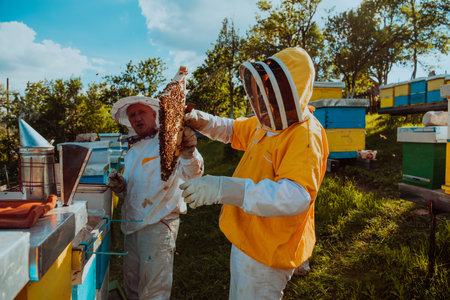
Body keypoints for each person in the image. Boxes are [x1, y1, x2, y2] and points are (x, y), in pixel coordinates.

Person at [179, 47, 329, 299]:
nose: (265, 98)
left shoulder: (304, 134)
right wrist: (198, 119)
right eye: (266, 89)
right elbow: (231, 129)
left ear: (293, 92)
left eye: (274, 90)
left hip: (271, 248)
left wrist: (223, 189)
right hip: (247, 236)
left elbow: (295, 195)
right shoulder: (266, 122)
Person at [108, 96, 204, 300]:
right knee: (132, 285)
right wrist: (121, 186)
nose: (137, 118)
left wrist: (189, 152)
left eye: (141, 112)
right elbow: (134, 189)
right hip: (132, 226)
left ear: (154, 115)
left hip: (159, 224)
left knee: (153, 291)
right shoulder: (133, 151)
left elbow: (193, 174)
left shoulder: (169, 142)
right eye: (132, 115)